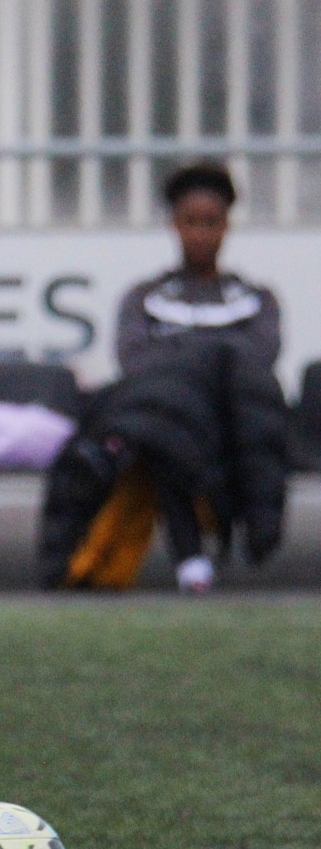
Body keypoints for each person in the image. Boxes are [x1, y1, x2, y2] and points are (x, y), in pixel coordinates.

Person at [114, 162, 281, 592]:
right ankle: (190, 555)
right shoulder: (144, 299)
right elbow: (134, 366)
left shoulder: (256, 299)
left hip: (233, 425)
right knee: (165, 426)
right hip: (174, 427)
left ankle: (256, 532)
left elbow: (261, 361)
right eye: (191, 222)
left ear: (227, 226)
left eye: (212, 223)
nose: (201, 234)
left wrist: (187, 361)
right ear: (174, 225)